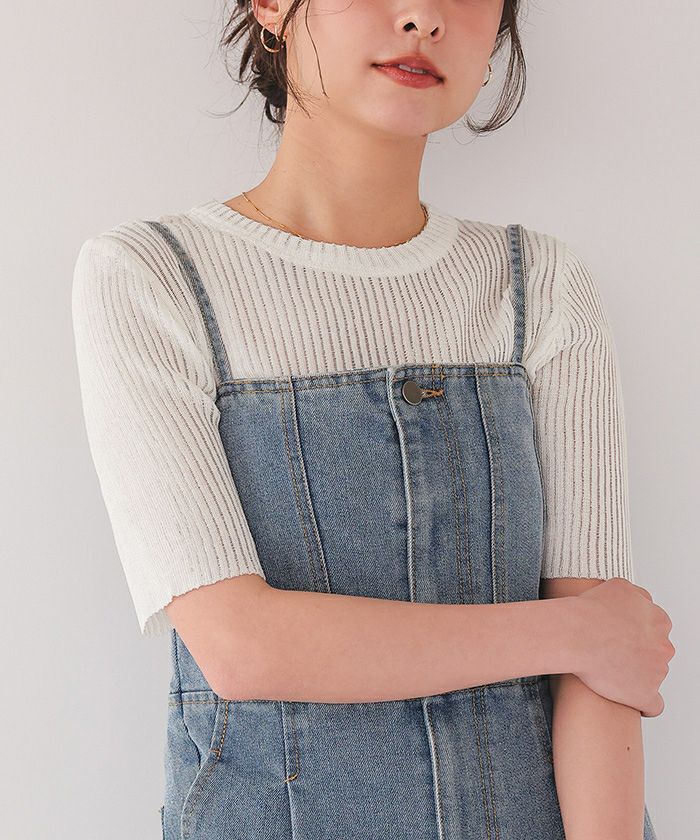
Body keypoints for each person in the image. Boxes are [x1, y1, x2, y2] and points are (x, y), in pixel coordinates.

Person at [71, 2, 674, 838]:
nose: (424, 16)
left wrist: (591, 641)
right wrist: (573, 632)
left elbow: (607, 674)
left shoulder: (538, 284)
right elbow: (243, 647)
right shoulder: (154, 276)